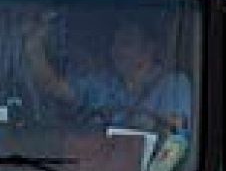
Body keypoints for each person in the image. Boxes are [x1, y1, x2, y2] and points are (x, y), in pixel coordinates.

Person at [27, 18, 192, 133]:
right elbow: (52, 86)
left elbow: (180, 132)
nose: (116, 50)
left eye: (126, 43)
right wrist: (33, 45)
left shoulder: (174, 85)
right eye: (114, 42)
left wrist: (150, 126)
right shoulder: (103, 84)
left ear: (149, 48)